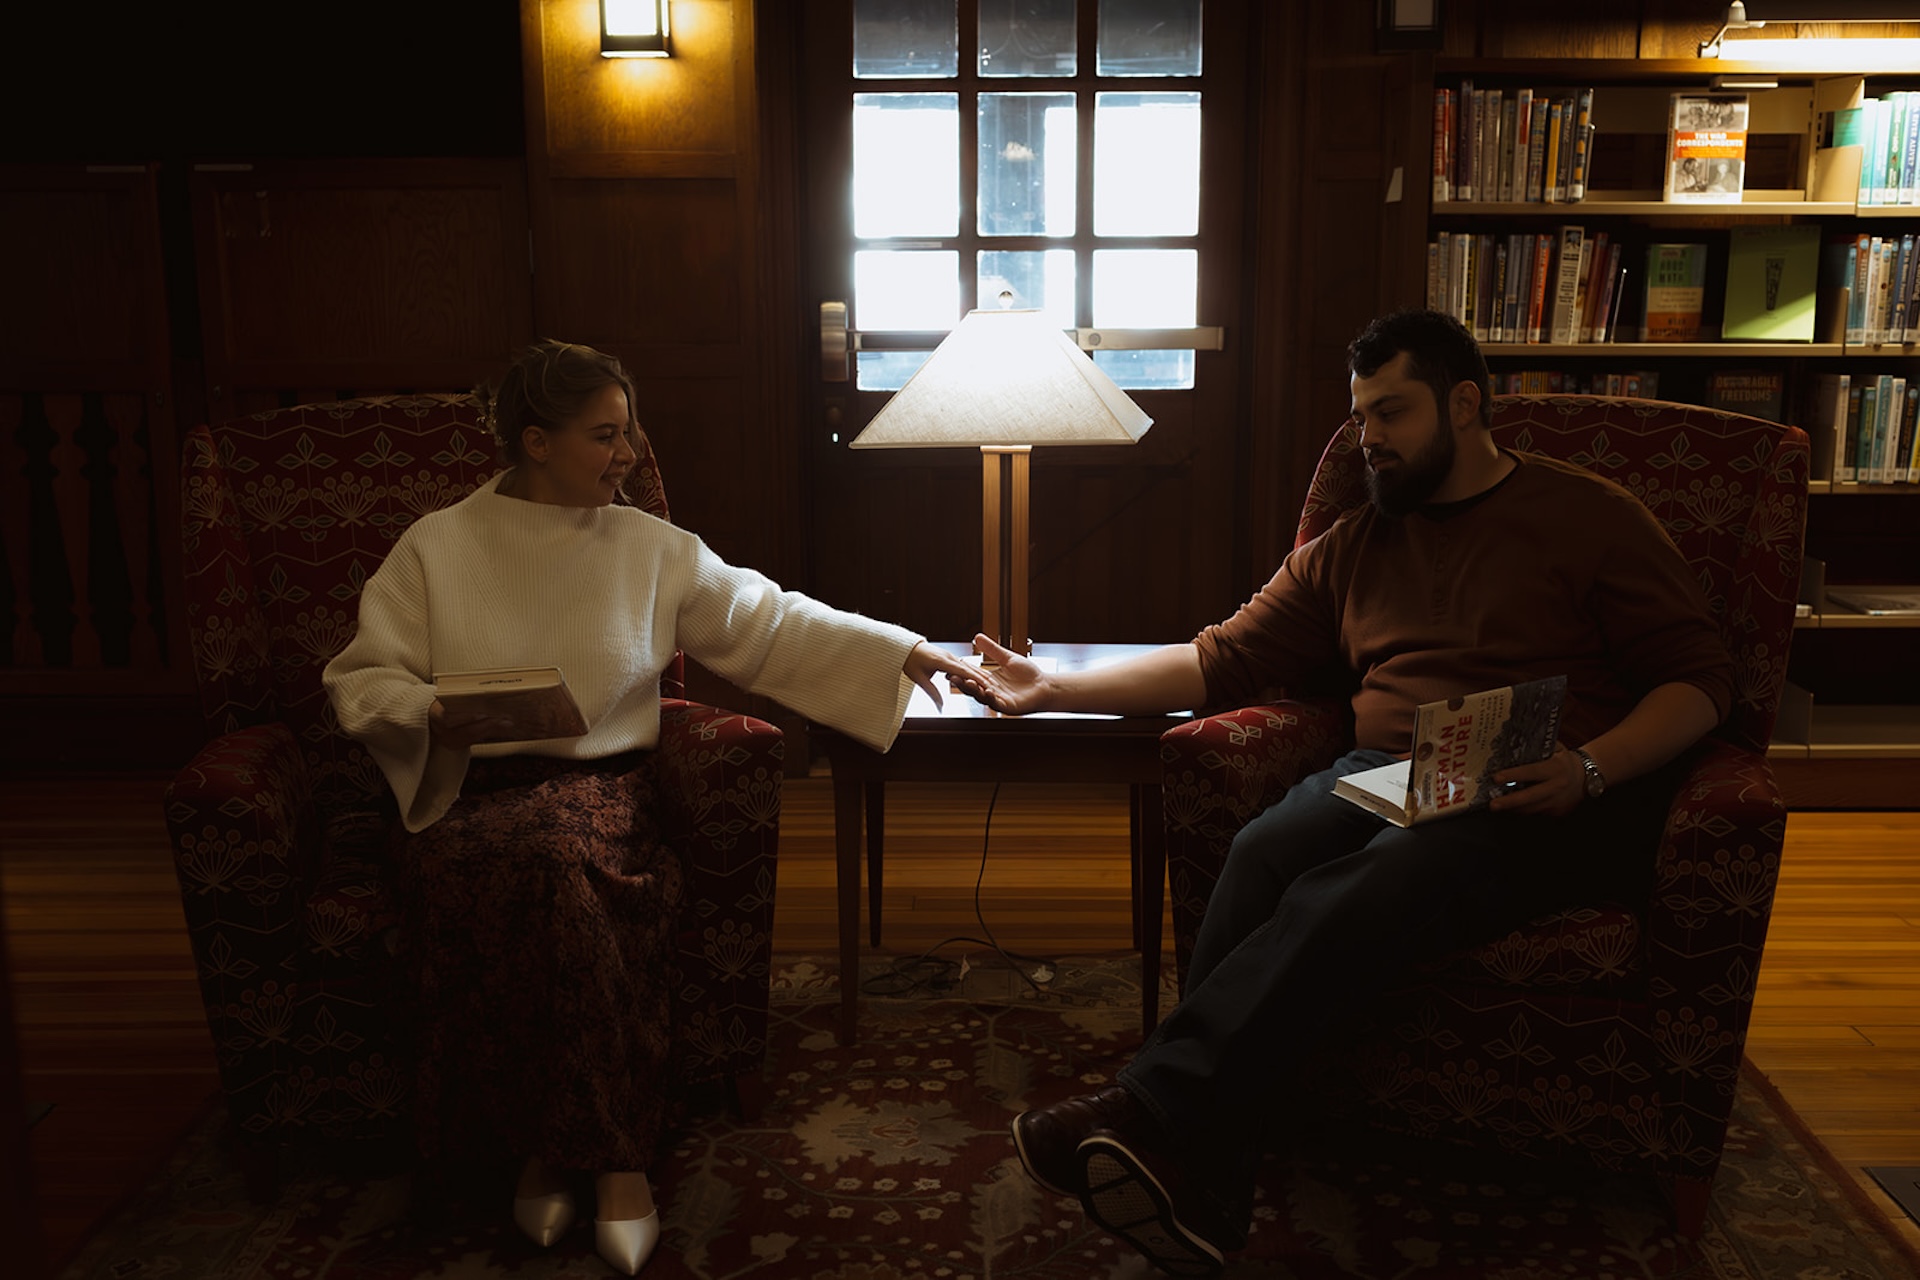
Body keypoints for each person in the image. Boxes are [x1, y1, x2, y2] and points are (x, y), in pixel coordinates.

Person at [950, 308, 1737, 1276]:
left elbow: (1702, 681)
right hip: (1399, 770)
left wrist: (1591, 766)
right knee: (1263, 850)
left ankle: (1149, 1106)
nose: (1370, 437)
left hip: (1547, 785)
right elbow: (1219, 659)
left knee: (1379, 873)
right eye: (1361, 415)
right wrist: (1051, 689)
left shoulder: (1590, 516)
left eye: (1392, 413)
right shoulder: (1356, 540)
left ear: (1464, 404)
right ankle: (1210, 1165)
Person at [322, 339, 979, 1275]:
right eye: (604, 435)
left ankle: (582, 1157)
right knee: (526, 869)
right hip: (468, 793)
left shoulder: (651, 547)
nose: (629, 452)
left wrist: (908, 652)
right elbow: (362, 674)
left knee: (561, 867)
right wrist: (427, 707)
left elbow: (769, 620)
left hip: (605, 790)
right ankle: (581, 1151)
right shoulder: (437, 545)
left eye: (630, 430)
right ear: (535, 442)